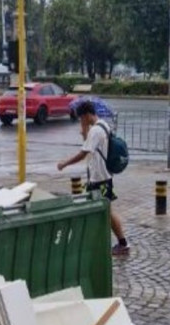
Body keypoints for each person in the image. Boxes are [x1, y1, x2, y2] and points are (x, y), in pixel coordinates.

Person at [57, 101, 129, 255]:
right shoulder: (103, 124)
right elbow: (89, 147)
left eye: (81, 118)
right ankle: (111, 242)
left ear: (87, 115)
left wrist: (64, 163)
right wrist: (84, 130)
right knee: (102, 211)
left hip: (100, 178)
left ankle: (122, 243)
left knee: (106, 211)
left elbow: (84, 153)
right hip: (102, 176)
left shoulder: (96, 131)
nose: (80, 121)